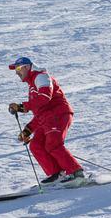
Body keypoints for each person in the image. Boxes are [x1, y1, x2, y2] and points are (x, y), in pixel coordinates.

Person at [7, 56, 85, 185]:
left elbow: (44, 98)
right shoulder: (32, 84)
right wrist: (28, 130)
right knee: (36, 145)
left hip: (58, 114)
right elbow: (40, 112)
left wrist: (22, 107)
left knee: (53, 144)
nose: (17, 72)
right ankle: (57, 174)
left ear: (27, 67)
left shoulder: (41, 77)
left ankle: (77, 173)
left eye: (18, 68)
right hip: (48, 118)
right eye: (15, 70)